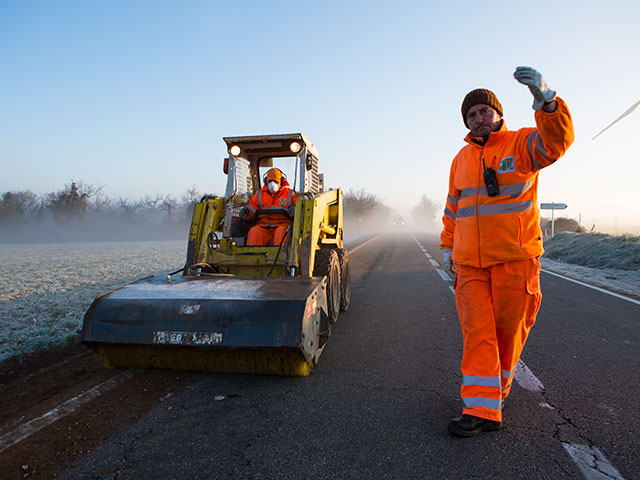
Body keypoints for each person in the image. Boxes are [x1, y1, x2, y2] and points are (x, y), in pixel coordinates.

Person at [440, 66, 575, 437]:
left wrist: (547, 102)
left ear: (498, 115)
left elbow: (557, 142)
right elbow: (453, 207)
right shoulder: (460, 160)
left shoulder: (522, 143)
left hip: (516, 261)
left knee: (507, 333)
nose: (479, 118)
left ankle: (493, 394)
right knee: (477, 334)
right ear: (466, 123)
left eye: (485, 111)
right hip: (469, 266)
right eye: (472, 114)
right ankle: (479, 409)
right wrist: (447, 246)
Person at [240, 167, 298, 246]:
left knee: (282, 232)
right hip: (263, 225)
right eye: (270, 181)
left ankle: (281, 256)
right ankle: (252, 255)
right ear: (266, 181)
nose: (272, 184)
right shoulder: (259, 196)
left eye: (275, 181)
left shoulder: (291, 194)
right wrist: (246, 214)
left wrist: (296, 210)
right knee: (254, 231)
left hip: (283, 224)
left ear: (282, 181)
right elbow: (251, 211)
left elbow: (301, 206)